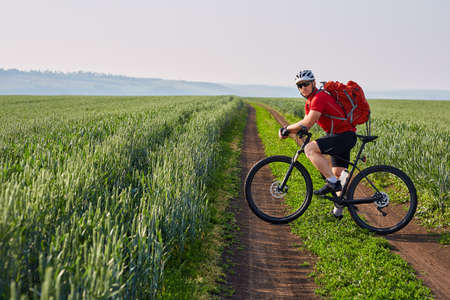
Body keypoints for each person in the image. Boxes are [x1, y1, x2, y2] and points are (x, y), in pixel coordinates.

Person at [278, 70, 357, 218]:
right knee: (338, 174)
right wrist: (296, 131)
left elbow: (307, 123)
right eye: (299, 86)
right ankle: (338, 210)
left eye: (306, 84)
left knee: (310, 149)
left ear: (313, 83)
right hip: (340, 135)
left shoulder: (319, 97)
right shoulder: (310, 102)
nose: (303, 88)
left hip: (343, 136)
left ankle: (332, 183)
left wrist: (286, 129)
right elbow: (305, 122)